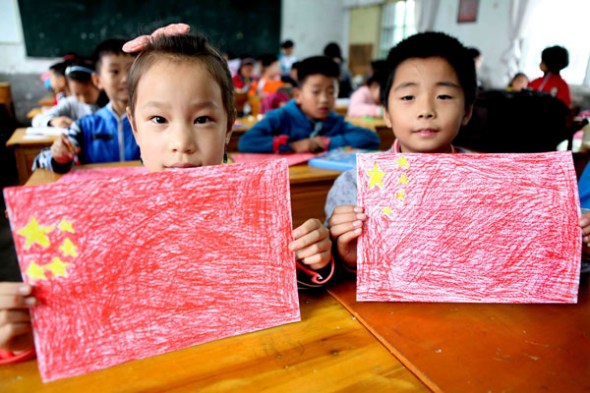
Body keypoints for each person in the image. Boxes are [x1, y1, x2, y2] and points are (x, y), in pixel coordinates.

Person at [0, 28, 334, 359]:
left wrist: (308, 259)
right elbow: (75, 321)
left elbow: (280, 291)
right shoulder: (102, 226)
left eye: (202, 119)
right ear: (134, 127)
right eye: (159, 118)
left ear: (229, 125)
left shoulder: (254, 210)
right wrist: (25, 334)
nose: (182, 143)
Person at [325, 31, 590, 271]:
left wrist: (578, 242)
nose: (425, 110)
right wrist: (344, 257)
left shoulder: (493, 182)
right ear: (387, 113)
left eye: (443, 96)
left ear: (467, 111)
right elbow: (332, 272)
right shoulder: (353, 186)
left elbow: (529, 260)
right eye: (408, 97)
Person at [32, 38, 139, 173]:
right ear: (97, 80)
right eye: (115, 72)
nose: (125, 78)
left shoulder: (155, 122)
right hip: (100, 192)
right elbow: (39, 161)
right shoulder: (84, 126)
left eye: (131, 70)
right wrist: (59, 157)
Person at [238, 56, 380, 154]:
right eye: (316, 92)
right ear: (298, 95)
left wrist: (327, 142)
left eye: (331, 92)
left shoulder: (333, 120)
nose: (324, 99)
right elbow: (246, 142)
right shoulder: (281, 116)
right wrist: (293, 146)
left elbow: (371, 139)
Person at [32, 60, 106, 128]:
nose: (82, 99)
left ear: (97, 82)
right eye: (77, 94)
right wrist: (52, 121)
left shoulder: (111, 104)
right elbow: (36, 120)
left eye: (86, 93)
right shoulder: (71, 102)